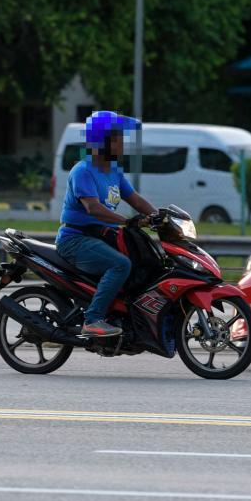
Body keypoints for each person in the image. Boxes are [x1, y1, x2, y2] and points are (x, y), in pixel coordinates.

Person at [56, 111, 157, 337]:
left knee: (143, 262)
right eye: (117, 139)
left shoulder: (113, 171)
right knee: (120, 264)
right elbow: (93, 207)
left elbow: (136, 200)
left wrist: (160, 216)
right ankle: (92, 319)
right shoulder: (82, 171)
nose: (122, 144)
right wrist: (127, 221)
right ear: (102, 142)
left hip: (100, 237)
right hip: (76, 240)